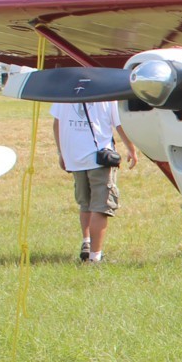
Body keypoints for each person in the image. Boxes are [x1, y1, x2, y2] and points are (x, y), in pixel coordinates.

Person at [51, 101, 137, 263]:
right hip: (99, 158)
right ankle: (95, 257)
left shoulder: (66, 90)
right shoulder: (106, 91)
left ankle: (87, 241)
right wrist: (131, 149)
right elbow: (119, 124)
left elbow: (57, 123)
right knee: (101, 207)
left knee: (85, 203)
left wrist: (62, 152)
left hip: (75, 157)